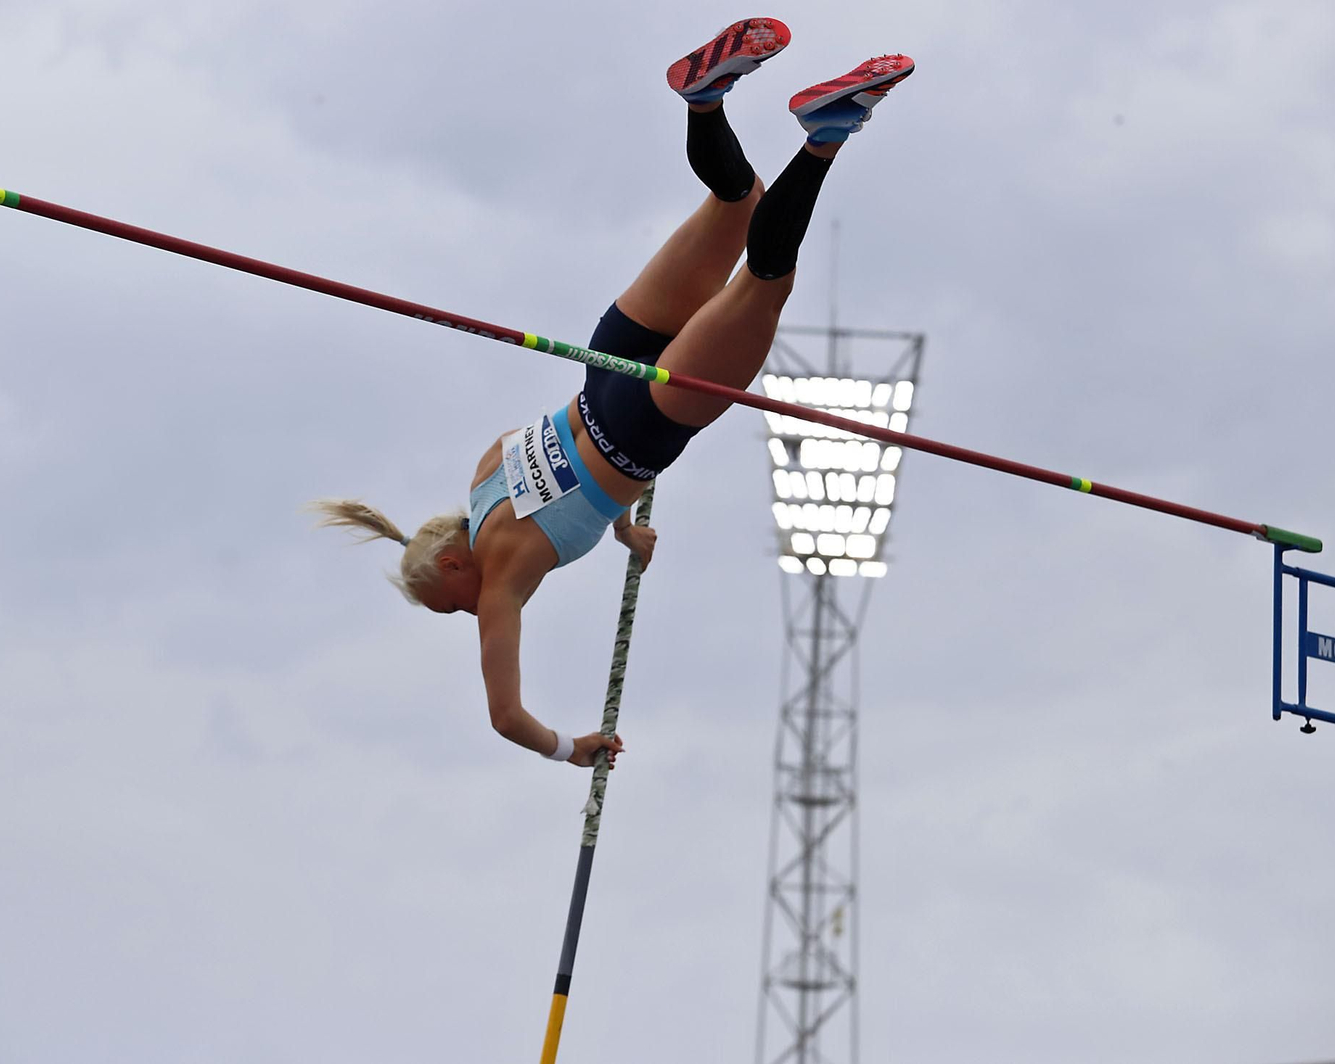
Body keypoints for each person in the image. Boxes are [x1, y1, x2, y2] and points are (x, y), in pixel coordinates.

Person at [314, 19, 913, 768]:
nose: (471, 613)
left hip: (644, 426)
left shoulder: (498, 581)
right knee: (738, 203)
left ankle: (824, 135)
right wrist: (623, 529)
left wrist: (571, 748)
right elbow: (570, 475)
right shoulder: (487, 471)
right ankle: (703, 102)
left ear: (455, 569)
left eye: (454, 605)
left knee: (763, 285)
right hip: (610, 362)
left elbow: (505, 718)